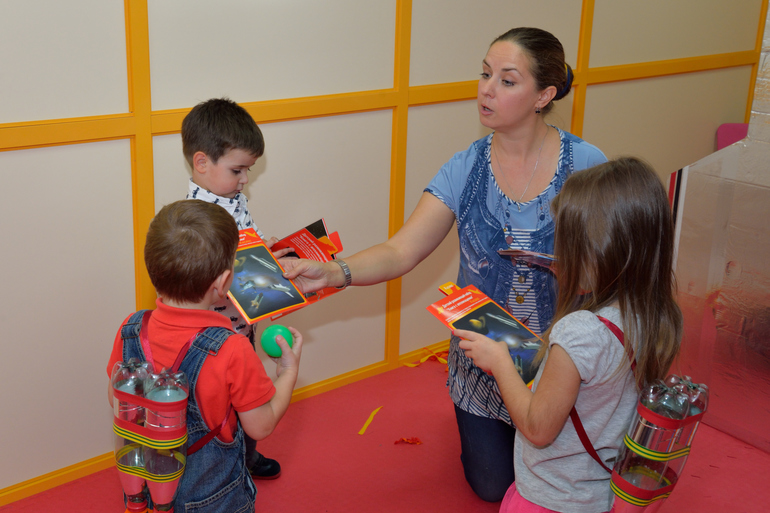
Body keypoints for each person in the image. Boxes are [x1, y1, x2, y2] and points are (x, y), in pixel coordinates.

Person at [282, 27, 607, 501]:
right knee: (494, 487)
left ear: (545, 95)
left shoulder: (586, 164)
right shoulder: (465, 167)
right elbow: (402, 250)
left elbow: (615, 266)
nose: (486, 89)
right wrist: (335, 272)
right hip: (483, 360)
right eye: (484, 74)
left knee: (557, 482)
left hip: (561, 363)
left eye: (507, 80)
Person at [457, 157, 683, 512]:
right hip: (601, 494)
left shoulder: (579, 331)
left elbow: (538, 428)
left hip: (550, 497)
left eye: (566, 245)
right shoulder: (656, 316)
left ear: (603, 253)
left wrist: (500, 362)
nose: (557, 256)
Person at [107, 200, 302, 512]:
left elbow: (116, 399)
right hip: (212, 497)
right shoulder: (232, 348)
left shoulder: (130, 328)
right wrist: (288, 372)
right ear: (223, 283)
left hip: (147, 489)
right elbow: (261, 426)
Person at [182, 97, 291, 479]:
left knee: (247, 393)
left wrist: (269, 252)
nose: (245, 179)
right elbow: (203, 280)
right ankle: (225, 471)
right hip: (212, 334)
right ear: (202, 162)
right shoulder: (195, 218)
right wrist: (257, 277)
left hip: (242, 323)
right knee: (216, 406)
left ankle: (247, 456)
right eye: (237, 170)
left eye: (248, 170)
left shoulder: (234, 199)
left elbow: (249, 241)